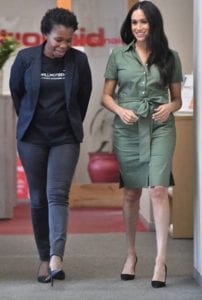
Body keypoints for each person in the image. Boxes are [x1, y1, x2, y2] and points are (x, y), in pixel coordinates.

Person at [101, 1, 182, 288]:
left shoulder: (170, 57)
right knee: (132, 193)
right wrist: (120, 110)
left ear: (154, 24)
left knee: (159, 188)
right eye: (134, 22)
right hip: (128, 128)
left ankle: (161, 260)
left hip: (160, 126)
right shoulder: (118, 56)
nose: (138, 27)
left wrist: (170, 108)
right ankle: (131, 255)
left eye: (144, 22)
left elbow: (177, 99)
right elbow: (106, 97)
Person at [9, 7, 92, 286]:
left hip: (65, 138)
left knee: (57, 194)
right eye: (59, 40)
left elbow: (83, 99)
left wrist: (68, 123)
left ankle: (57, 256)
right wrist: (32, 121)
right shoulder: (25, 59)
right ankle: (44, 257)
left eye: (69, 40)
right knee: (37, 199)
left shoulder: (79, 62)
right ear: (46, 35)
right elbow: (18, 95)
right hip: (32, 138)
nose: (64, 46)